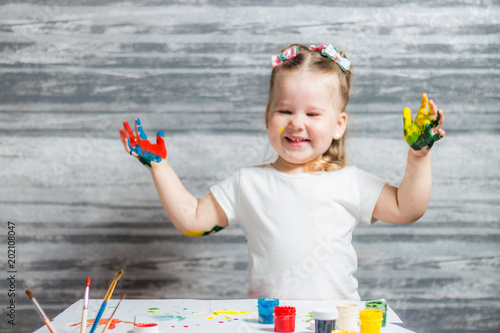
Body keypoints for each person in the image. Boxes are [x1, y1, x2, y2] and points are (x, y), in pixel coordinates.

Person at [119, 43, 445, 301]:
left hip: (334, 323)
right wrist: (158, 165)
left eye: (313, 113)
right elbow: (191, 220)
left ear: (338, 125)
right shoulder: (247, 183)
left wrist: (419, 156)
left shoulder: (350, 182)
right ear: (268, 116)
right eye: (285, 110)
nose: (296, 123)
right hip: (268, 324)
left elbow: (408, 208)